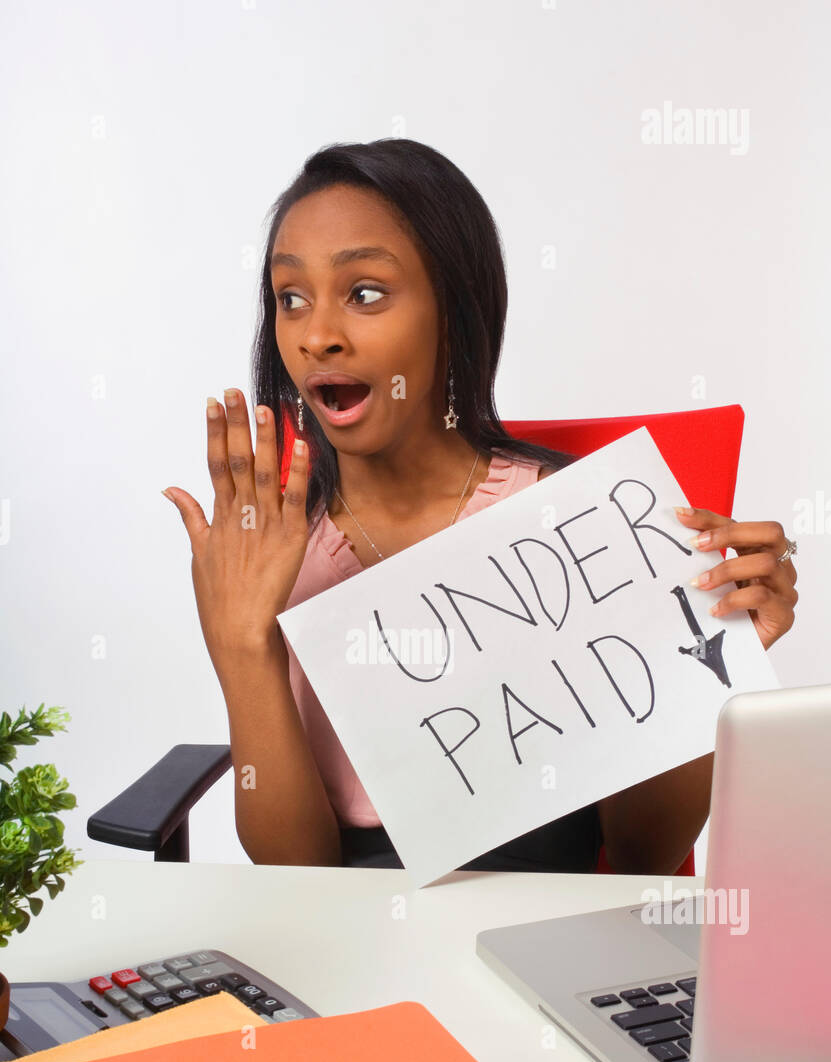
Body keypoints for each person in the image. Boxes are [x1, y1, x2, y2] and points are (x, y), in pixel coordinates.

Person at [162, 139, 799, 874]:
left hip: (543, 920)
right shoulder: (272, 548)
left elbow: (641, 857)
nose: (316, 336)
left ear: (454, 309)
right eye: (290, 298)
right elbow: (296, 878)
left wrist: (703, 674)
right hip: (351, 934)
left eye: (365, 292)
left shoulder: (578, 522)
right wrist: (244, 649)